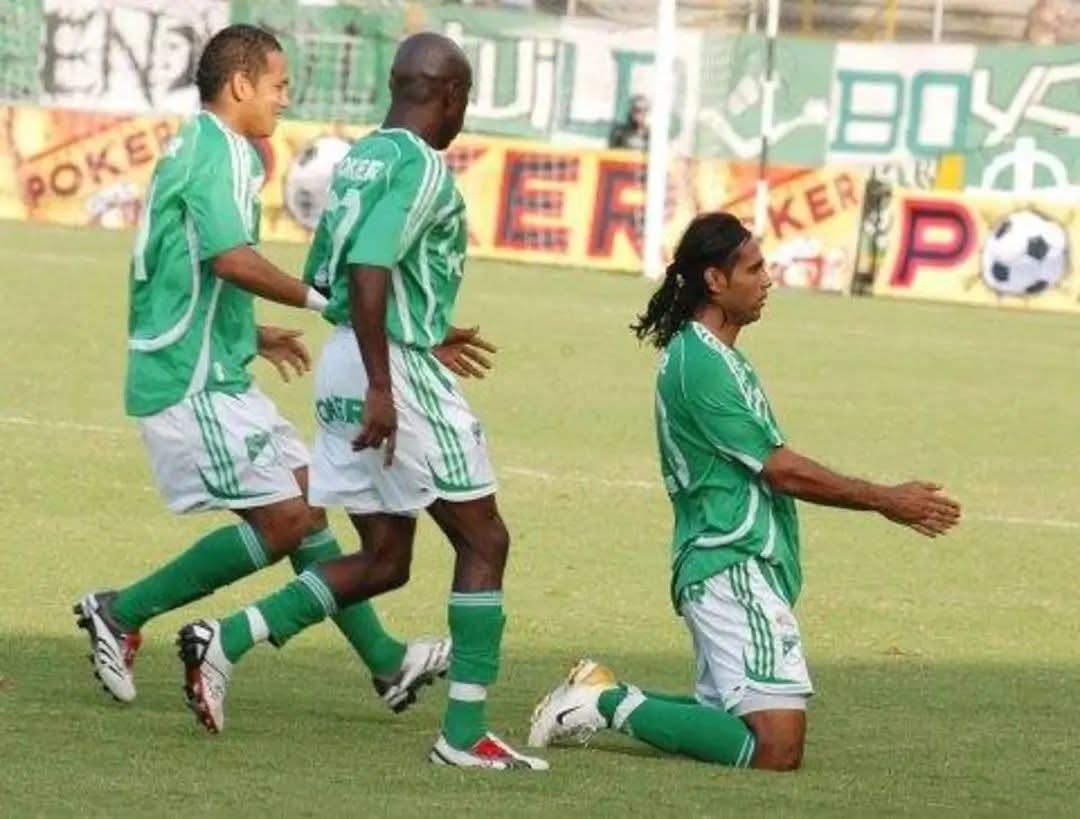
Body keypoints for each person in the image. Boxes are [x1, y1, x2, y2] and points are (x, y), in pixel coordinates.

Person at [177, 32, 548, 772]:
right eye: (464, 97)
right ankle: (464, 732)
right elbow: (372, 267)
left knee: (385, 558)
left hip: (351, 355)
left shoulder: (360, 158)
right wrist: (390, 378)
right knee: (484, 541)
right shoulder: (420, 167)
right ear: (449, 96)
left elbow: (341, 273)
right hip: (387, 372)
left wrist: (416, 334)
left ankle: (229, 638)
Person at [75, 24, 453, 716]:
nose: (285, 98)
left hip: (209, 364)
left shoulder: (202, 146)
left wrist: (248, 332)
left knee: (305, 508)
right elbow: (229, 257)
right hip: (190, 381)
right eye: (278, 85)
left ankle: (387, 661)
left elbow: (177, 267)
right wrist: (321, 300)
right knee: (289, 516)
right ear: (241, 84)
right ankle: (122, 612)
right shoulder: (224, 152)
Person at [527, 212, 961, 770]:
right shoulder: (700, 365)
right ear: (715, 280)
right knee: (777, 747)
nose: (767, 279)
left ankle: (599, 692)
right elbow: (782, 470)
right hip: (728, 560)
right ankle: (604, 703)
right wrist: (886, 500)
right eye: (754, 268)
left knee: (737, 723)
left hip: (735, 561)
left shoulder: (719, 358)